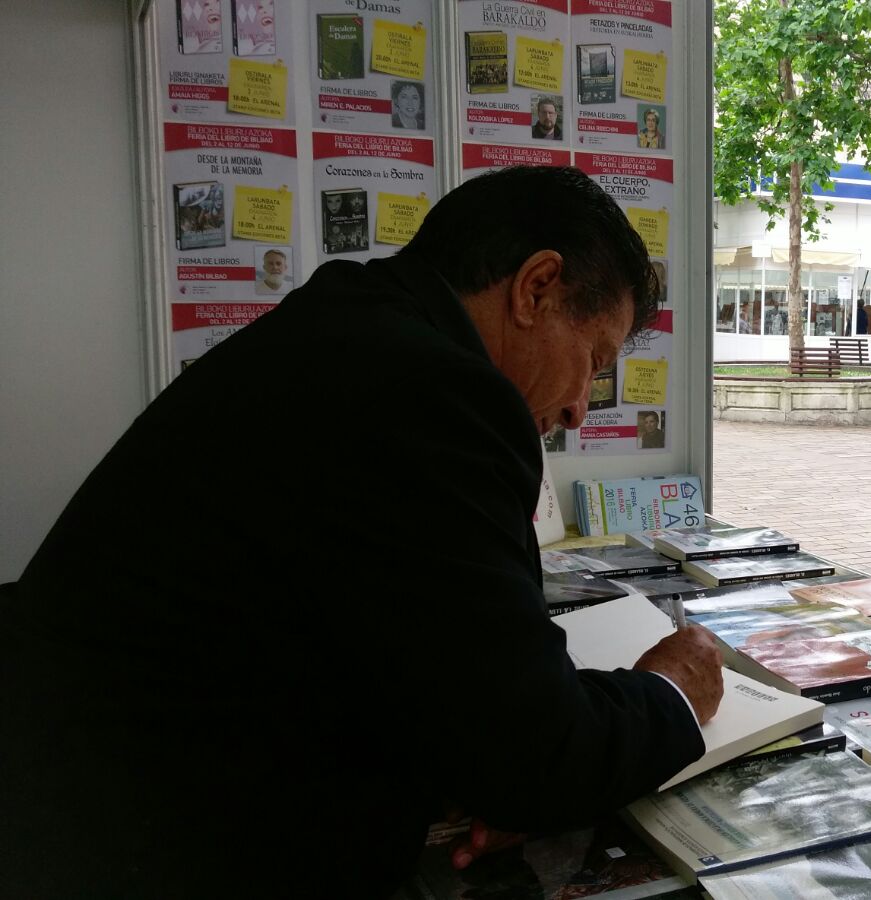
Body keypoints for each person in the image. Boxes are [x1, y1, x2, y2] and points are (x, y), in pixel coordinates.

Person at [0, 167, 724, 898]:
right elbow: (535, 755)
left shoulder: (347, 326)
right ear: (536, 288)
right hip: (139, 845)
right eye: (594, 363)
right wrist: (670, 694)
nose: (577, 410)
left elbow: (436, 681)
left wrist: (494, 766)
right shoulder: (434, 393)